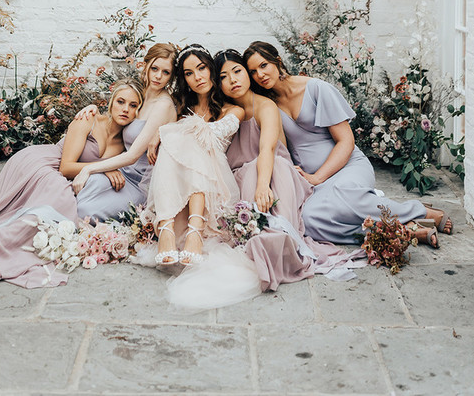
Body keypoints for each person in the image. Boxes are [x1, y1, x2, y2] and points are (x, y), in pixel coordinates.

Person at [0, 78, 144, 290]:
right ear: (111, 102)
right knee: (60, 200)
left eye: (133, 105)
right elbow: (66, 166)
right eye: (121, 101)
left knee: (61, 205)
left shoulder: (124, 146)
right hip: (45, 163)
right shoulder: (89, 119)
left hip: (64, 173)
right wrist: (107, 167)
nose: (125, 109)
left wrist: (111, 167)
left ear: (139, 111)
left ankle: (5, 243)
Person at [243, 41, 453, 248]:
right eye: (253, 71)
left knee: (345, 194)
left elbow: (346, 141)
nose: (260, 75)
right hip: (312, 182)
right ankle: (404, 230)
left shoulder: (316, 89)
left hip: (347, 166)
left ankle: (419, 211)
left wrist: (317, 177)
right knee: (309, 220)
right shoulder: (267, 105)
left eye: (263, 65)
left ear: (277, 61)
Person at [217, 49, 365, 292]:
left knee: (269, 175)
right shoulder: (222, 110)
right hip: (245, 176)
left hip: (275, 169)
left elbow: (267, 149)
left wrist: (263, 185)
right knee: (248, 180)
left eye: (238, 71)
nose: (233, 80)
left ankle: (282, 240)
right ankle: (261, 237)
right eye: (224, 76)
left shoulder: (266, 105)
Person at [146, 44, 243, 267]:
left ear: (211, 69)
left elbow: (208, 134)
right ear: (184, 80)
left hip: (214, 185)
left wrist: (163, 132)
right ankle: (167, 229)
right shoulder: (180, 108)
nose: (197, 77)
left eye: (201, 68)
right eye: (189, 73)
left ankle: (196, 230)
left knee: (191, 136)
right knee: (179, 137)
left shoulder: (232, 109)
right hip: (180, 189)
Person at [72, 43, 178, 221]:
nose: (158, 76)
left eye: (166, 72)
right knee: (84, 190)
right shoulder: (143, 94)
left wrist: (89, 168)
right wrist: (94, 109)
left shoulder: (163, 105)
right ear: (146, 66)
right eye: (154, 68)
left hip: (140, 184)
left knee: (86, 210)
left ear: (172, 76)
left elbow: (133, 156)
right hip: (121, 172)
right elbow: (118, 111)